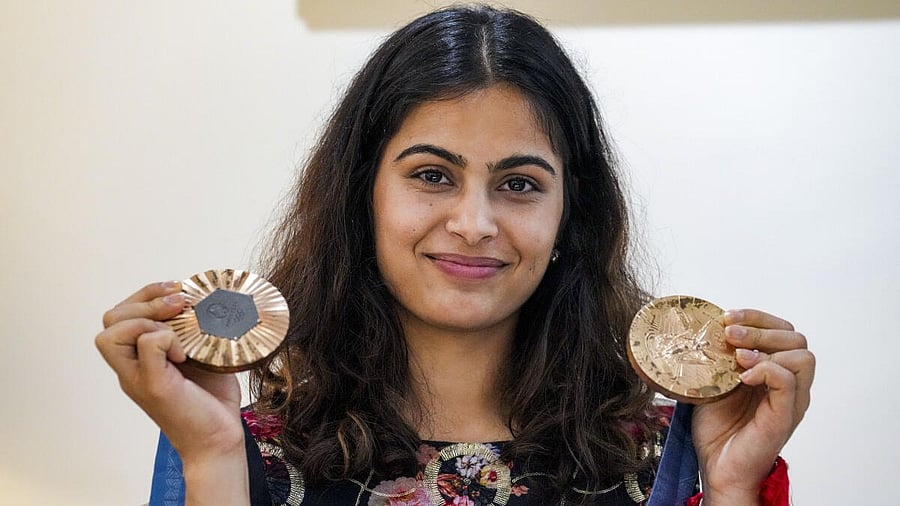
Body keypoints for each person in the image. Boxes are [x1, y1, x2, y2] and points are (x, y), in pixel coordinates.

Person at [95, 4, 815, 505]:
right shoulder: (243, 450)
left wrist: (728, 488)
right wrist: (215, 461)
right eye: (432, 175)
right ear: (362, 197)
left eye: (520, 184)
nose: (474, 223)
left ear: (571, 215)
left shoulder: (663, 462)